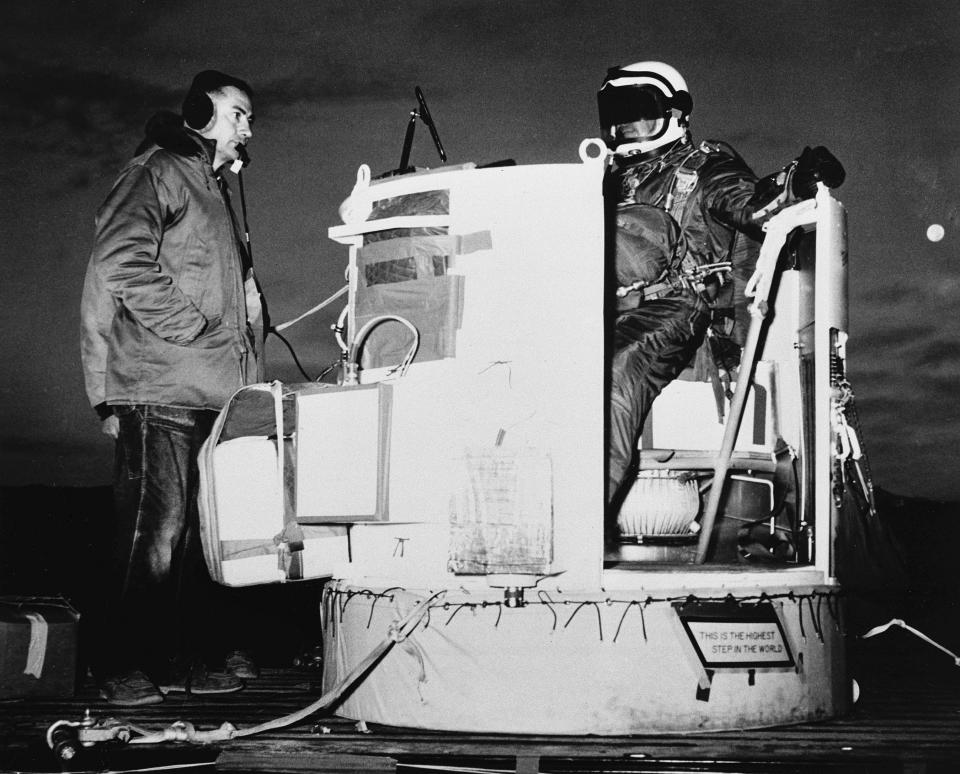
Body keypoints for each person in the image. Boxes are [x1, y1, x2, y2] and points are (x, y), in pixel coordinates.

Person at [81, 70, 266, 705]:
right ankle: (117, 665)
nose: (248, 127)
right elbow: (119, 258)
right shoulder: (158, 170)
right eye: (238, 114)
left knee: (198, 536)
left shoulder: (214, 192)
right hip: (162, 385)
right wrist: (189, 325)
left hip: (216, 394)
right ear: (199, 113)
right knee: (152, 533)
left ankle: (188, 659)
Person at [598, 61, 845, 539]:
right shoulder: (603, 182)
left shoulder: (706, 170)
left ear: (674, 113)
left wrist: (797, 179)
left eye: (638, 111)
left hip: (670, 309)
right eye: (614, 112)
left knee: (610, 375)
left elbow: (753, 203)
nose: (624, 124)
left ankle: (575, 527)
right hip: (598, 309)